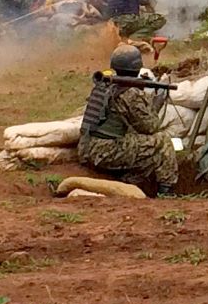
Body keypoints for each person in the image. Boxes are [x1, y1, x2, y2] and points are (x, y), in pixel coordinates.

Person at [77, 45, 179, 195]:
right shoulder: (130, 93)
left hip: (86, 148)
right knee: (163, 141)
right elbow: (150, 127)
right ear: (138, 67)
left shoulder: (103, 85)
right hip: (105, 152)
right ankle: (167, 192)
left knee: (142, 148)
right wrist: (156, 101)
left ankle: (130, 182)